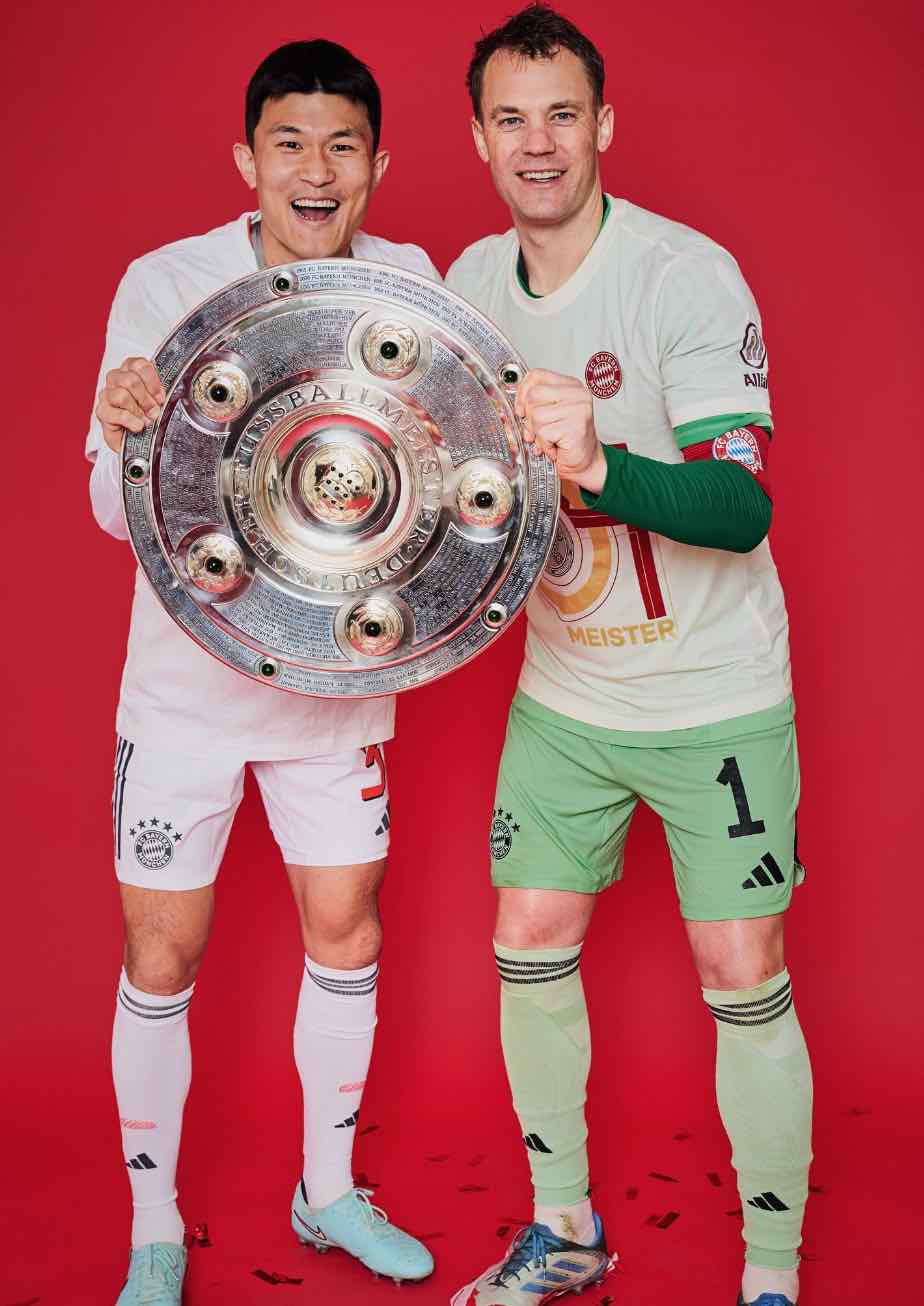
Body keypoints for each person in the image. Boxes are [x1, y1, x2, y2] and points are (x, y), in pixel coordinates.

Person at [446, 7, 811, 1306]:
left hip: (714, 695)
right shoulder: (469, 287)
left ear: (603, 124)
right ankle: (567, 1228)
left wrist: (600, 463)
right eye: (511, 118)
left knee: (741, 970)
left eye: (562, 114)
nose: (537, 143)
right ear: (479, 137)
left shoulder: (683, 277)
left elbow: (743, 506)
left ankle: (771, 1272)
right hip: (567, 696)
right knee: (528, 936)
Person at [87, 39, 438, 1306]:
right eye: (290, 144)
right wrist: (128, 427)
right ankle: (154, 1229)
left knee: (346, 931)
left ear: (378, 164)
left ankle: (327, 1192)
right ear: (247, 160)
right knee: (162, 956)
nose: (316, 170)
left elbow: (454, 486)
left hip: (334, 692)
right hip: (185, 693)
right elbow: (106, 507)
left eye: (343, 146)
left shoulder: (407, 284)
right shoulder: (167, 285)